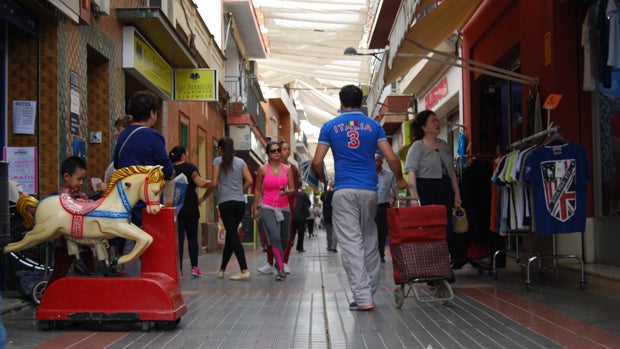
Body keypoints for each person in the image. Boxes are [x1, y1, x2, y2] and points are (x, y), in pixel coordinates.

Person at [312, 84, 407, 312]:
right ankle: (369, 290)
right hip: (370, 191)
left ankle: (363, 297)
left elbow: (317, 162)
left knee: (351, 244)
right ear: (362, 103)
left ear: (341, 102)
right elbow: (392, 158)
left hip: (344, 190)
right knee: (369, 239)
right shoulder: (373, 126)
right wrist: (400, 180)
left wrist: (322, 179)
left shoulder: (329, 127)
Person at [113, 90, 174, 275]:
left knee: (130, 240)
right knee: (146, 243)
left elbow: (116, 164)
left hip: (123, 199)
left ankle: (130, 281)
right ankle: (141, 285)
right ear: (152, 113)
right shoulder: (153, 136)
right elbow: (167, 169)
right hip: (146, 203)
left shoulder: (123, 135)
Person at [404, 109, 464, 269]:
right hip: (425, 189)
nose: (437, 124)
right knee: (429, 230)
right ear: (424, 127)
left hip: (444, 189)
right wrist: (414, 197)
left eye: (437, 120)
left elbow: (451, 172)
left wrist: (457, 192)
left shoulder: (444, 145)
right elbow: (411, 172)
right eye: (433, 121)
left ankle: (444, 267)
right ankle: (431, 269)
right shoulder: (417, 146)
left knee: (446, 229)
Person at [203, 137, 253, 280]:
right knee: (232, 236)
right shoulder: (241, 162)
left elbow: (213, 183)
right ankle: (222, 270)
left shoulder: (217, 161)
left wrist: (203, 197)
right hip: (239, 203)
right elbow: (249, 181)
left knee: (233, 235)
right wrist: (241, 191)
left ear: (220, 148)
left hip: (226, 203)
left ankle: (244, 270)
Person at [47, 156, 96, 286]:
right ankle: (49, 296)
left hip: (84, 244)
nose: (81, 183)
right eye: (79, 179)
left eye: (83, 179)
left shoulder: (83, 196)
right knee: (59, 273)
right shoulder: (58, 196)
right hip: (65, 244)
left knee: (90, 273)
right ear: (67, 176)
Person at [252, 142, 295, 281]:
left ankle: (278, 261)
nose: (276, 152)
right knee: (275, 236)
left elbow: (293, 189)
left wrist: (286, 192)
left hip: (284, 208)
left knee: (284, 239)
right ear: (268, 153)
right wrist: (254, 208)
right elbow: (258, 189)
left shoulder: (287, 169)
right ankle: (281, 269)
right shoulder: (262, 169)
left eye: (278, 150)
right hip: (267, 207)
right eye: (273, 150)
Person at [169, 145, 211, 278]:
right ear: (182, 156)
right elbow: (201, 183)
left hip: (175, 208)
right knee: (192, 238)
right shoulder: (190, 168)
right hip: (191, 207)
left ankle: (178, 269)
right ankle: (194, 267)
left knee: (178, 240)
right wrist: (214, 182)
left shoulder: (169, 170)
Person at [97, 115, 133, 191]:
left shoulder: (128, 153)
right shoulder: (118, 150)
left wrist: (107, 188)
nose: (115, 133)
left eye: (119, 130)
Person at [374, 153, 397, 263]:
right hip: (371, 206)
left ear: (381, 162)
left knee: (382, 232)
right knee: (371, 231)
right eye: (373, 160)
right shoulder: (367, 174)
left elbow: (394, 190)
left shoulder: (389, 175)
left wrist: (393, 199)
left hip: (384, 206)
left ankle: (380, 253)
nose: (375, 163)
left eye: (377, 160)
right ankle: (371, 253)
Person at [320, 181, 337, 252]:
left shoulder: (324, 194)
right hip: (335, 215)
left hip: (327, 215)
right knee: (335, 232)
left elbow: (322, 199)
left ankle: (329, 246)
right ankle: (334, 247)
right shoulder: (336, 193)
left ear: (330, 186)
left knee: (328, 232)